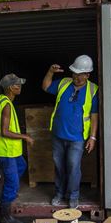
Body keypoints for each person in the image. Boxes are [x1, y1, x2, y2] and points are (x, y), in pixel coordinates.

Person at [41, 55, 98, 208]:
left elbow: (94, 115)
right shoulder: (64, 83)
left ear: (87, 75)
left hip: (77, 138)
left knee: (73, 166)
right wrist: (50, 72)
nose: (77, 77)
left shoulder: (93, 90)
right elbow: (45, 87)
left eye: (80, 74)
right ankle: (59, 193)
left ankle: (73, 196)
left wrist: (92, 137)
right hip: (58, 135)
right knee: (59, 166)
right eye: (75, 73)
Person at [0, 73, 34, 223]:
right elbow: (5, 131)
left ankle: (10, 189)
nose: (20, 87)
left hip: (12, 151)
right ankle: (5, 216)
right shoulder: (7, 105)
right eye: (18, 85)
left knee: (21, 166)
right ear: (11, 88)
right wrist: (25, 137)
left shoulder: (1, 100)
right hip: (6, 150)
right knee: (12, 183)